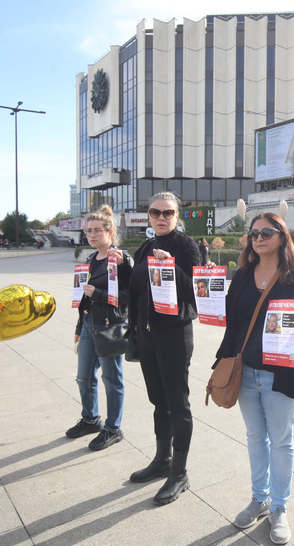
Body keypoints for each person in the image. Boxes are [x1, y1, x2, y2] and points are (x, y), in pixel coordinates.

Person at [214, 212, 294, 545]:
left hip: (281, 372)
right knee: (255, 437)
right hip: (244, 371)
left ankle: (279, 507)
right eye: (254, 233)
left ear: (282, 236)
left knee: (282, 439)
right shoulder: (242, 275)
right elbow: (229, 317)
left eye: (267, 232)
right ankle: (259, 499)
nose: (259, 238)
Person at [128, 192, 201, 505]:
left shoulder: (186, 246)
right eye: (155, 212)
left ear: (176, 215)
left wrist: (171, 266)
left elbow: (195, 291)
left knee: (177, 403)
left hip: (174, 335)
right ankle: (162, 460)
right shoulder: (145, 246)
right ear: (148, 214)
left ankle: (179, 472)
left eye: (168, 213)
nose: (161, 218)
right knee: (159, 401)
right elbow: (134, 290)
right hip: (147, 336)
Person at [67, 205, 131, 451]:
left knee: (111, 378)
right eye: (88, 232)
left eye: (97, 231)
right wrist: (78, 325)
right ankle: (90, 418)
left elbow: (128, 296)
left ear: (110, 231)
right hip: (88, 325)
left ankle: (113, 428)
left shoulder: (120, 260)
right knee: (83, 376)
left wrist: (100, 294)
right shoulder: (91, 259)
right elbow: (83, 297)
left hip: (110, 326)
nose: (92, 235)